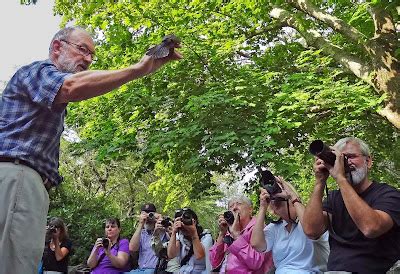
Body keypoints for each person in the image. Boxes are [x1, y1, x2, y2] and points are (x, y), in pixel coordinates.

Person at [0, 26, 181, 274]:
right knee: (14, 265)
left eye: (91, 55)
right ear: (57, 47)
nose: (87, 59)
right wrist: (137, 70)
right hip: (18, 179)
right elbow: (71, 87)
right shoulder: (37, 72)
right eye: (83, 50)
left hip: (25, 183)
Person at [303, 137, 400, 273]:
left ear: (369, 161)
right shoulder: (334, 198)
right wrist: (320, 182)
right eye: (341, 159)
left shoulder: (389, 194)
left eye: (351, 156)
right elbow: (311, 231)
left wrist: (341, 179)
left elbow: (371, 228)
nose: (346, 163)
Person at [251, 177, 329, 273]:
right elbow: (256, 244)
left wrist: (292, 196)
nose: (275, 199)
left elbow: (310, 229)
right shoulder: (275, 228)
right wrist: (263, 207)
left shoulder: (308, 219)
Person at [209, 195, 273, 273]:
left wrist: (237, 236)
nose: (234, 208)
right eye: (231, 206)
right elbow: (214, 262)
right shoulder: (229, 232)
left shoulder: (258, 228)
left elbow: (256, 263)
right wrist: (222, 233)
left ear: (250, 210)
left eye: (239, 203)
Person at [167, 208, 213, 274]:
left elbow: (199, 256)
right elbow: (171, 255)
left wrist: (193, 233)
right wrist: (174, 232)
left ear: (195, 222)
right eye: (181, 221)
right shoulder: (180, 236)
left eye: (186, 221)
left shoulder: (206, 237)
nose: (184, 225)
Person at [126, 203, 168, 273]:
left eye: (150, 214)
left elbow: (172, 233)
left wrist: (160, 220)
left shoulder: (163, 231)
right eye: (144, 214)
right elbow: (132, 248)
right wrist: (140, 224)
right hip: (139, 270)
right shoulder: (141, 233)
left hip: (155, 270)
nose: (148, 218)